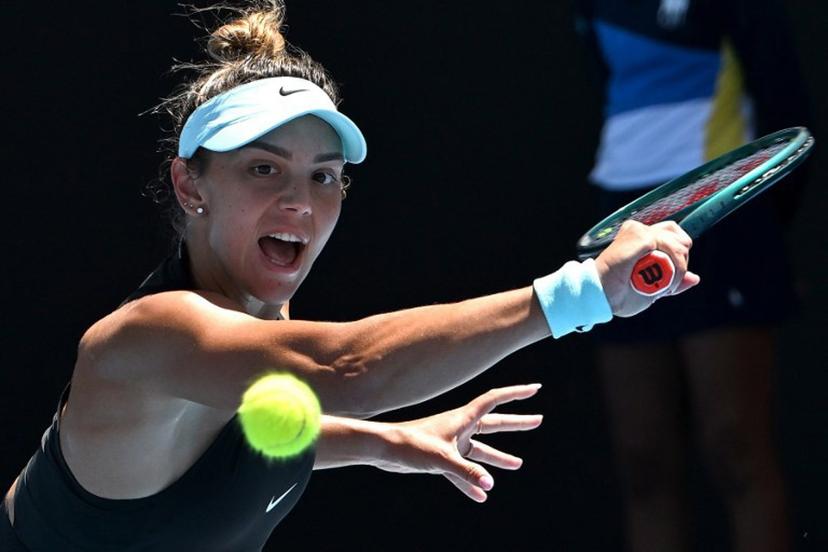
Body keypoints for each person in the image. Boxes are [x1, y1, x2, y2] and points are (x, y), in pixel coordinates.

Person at [1, 1, 698, 550]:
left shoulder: (246, 349)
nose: (300, 201)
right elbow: (351, 369)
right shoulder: (146, 340)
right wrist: (581, 293)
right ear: (190, 186)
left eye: (324, 175)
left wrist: (391, 444)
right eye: (263, 169)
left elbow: (237, 438)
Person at [573, 0, 811, 551]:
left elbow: (785, 107)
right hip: (619, 220)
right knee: (643, 462)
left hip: (726, 223)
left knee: (735, 451)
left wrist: (764, 242)